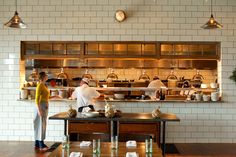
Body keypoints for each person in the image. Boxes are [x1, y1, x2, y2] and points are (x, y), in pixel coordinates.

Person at [34, 72, 50, 151]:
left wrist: (54, 96)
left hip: (44, 106)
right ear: (43, 76)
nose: (47, 76)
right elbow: (36, 99)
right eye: (46, 75)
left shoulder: (44, 85)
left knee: (41, 125)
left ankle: (37, 144)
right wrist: (39, 110)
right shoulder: (40, 85)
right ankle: (41, 145)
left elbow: (45, 97)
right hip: (40, 107)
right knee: (41, 125)